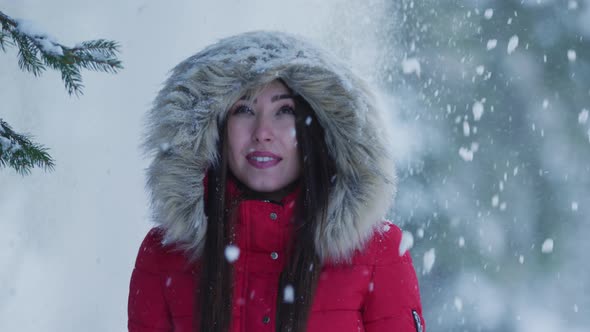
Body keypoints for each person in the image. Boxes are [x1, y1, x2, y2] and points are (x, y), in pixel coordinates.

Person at [128, 31, 425, 332]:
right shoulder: (164, 255)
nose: (262, 132)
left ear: (317, 131)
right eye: (244, 109)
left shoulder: (377, 252)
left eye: (284, 111)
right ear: (215, 130)